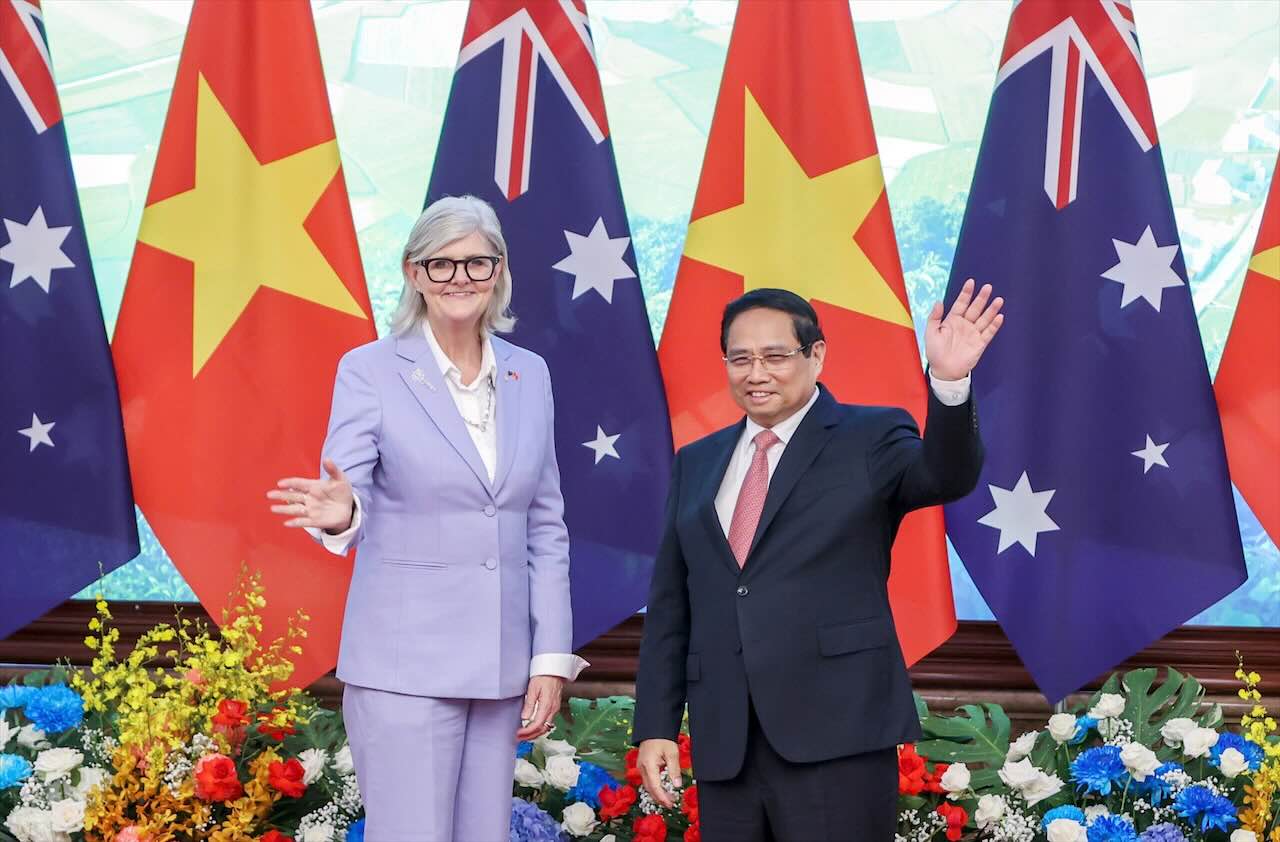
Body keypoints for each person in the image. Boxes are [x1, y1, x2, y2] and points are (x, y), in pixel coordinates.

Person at [633, 283, 1004, 841]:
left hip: (838, 735)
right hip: (726, 742)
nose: (756, 372)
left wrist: (949, 383)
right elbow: (671, 606)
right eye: (741, 358)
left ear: (816, 355)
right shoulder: (697, 461)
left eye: (775, 356)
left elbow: (946, 476)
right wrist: (656, 725)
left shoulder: (871, 435)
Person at [268, 195, 586, 842]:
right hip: (403, 668)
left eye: (475, 262)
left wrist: (549, 656)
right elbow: (348, 484)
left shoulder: (532, 374)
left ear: (498, 270)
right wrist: (343, 512)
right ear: (414, 274)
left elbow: (544, 525)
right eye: (440, 264)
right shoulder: (370, 371)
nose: (459, 278)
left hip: (500, 668)